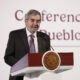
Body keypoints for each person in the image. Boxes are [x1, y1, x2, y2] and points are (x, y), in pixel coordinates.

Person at [4, 9, 50, 80]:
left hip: (39, 77)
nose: (35, 23)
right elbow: (8, 57)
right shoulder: (15, 35)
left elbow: (48, 57)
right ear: (26, 21)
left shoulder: (44, 37)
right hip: (19, 77)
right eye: (32, 20)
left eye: (38, 21)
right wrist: (22, 65)